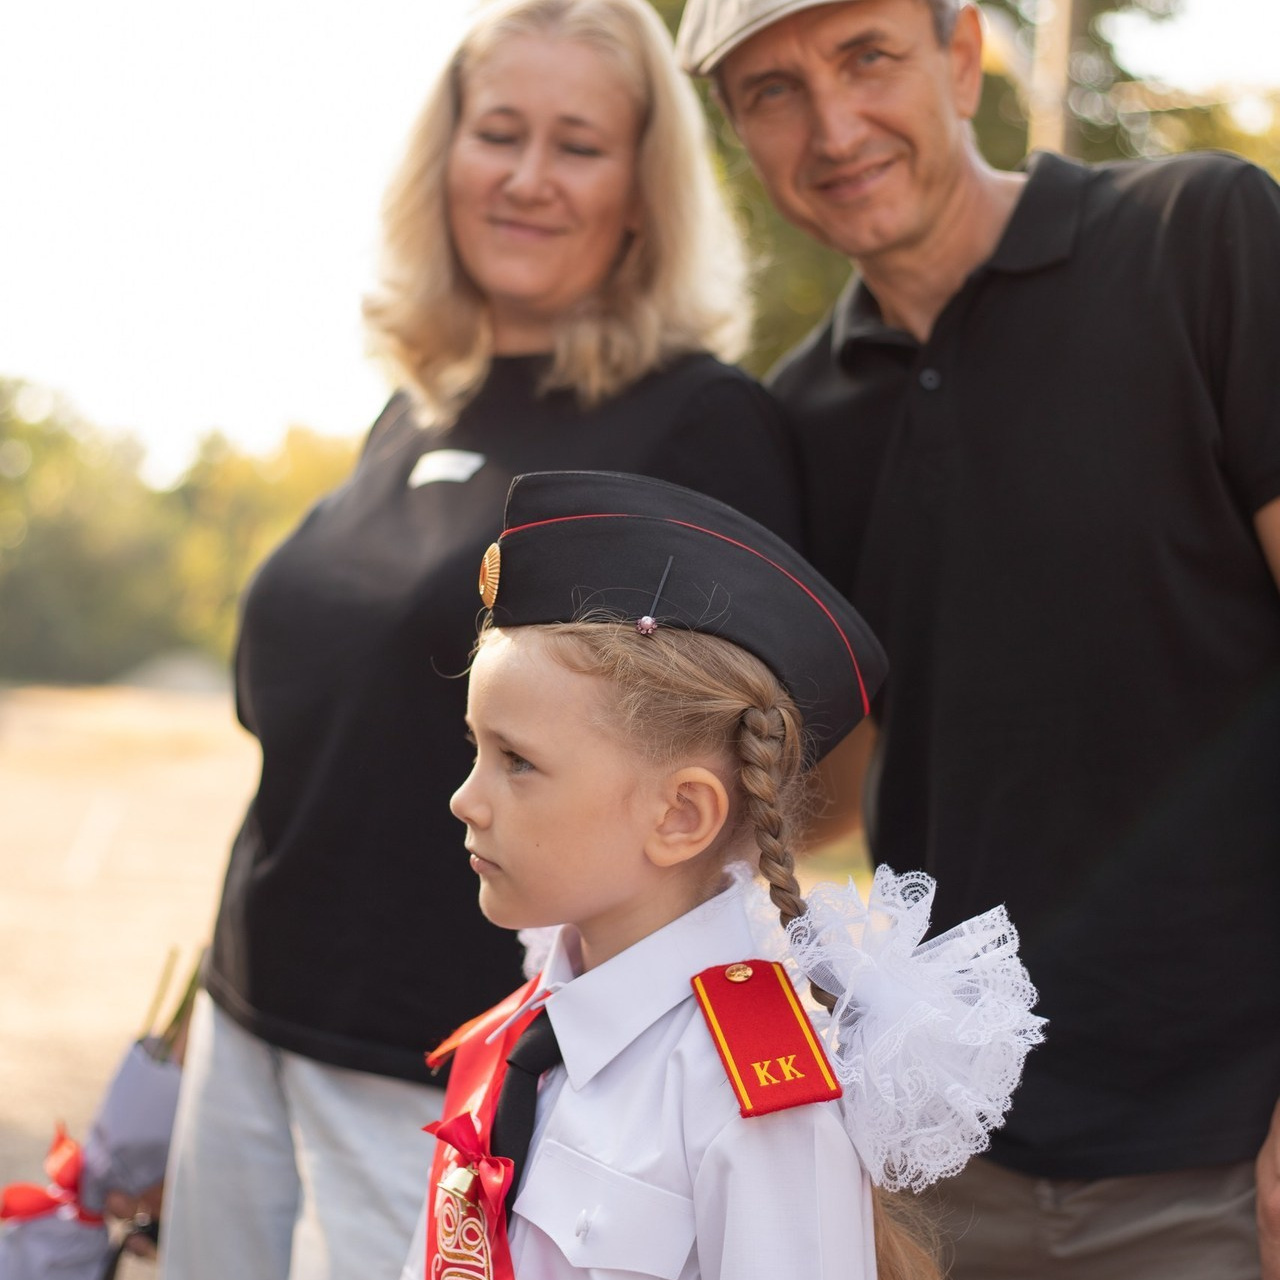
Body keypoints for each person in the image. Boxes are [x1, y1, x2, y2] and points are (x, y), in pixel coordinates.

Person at [158, 2, 806, 1277]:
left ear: (641, 191)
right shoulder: (413, 403)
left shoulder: (699, 425)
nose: (525, 177)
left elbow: (741, 781)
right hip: (243, 1026)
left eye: (576, 145)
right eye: (497, 132)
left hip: (446, 1067)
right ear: (443, 159)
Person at [673, 1, 1280, 1277]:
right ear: (738, 136)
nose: (833, 126)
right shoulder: (797, 417)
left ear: (960, 59)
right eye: (772, 91)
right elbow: (825, 803)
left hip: (1226, 1166)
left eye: (866, 57)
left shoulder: (1202, 237)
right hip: (938, 1171)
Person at [403, 467, 1043, 1280]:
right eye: (477, 750)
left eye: (518, 763)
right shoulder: (525, 1028)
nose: (466, 800)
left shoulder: (751, 1097)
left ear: (681, 817)